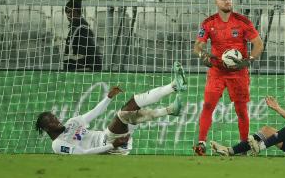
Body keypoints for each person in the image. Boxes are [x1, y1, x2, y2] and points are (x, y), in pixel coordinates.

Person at [35, 62, 188, 155]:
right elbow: (81, 154)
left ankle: (172, 93)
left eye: (55, 117)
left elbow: (95, 112)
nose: (57, 121)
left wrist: (108, 97)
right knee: (123, 114)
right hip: (108, 147)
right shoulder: (57, 145)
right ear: (47, 128)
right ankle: (170, 101)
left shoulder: (72, 123)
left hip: (111, 140)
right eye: (52, 122)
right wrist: (110, 146)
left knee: (131, 106)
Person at [193, 0, 264, 155]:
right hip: (217, 71)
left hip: (238, 73)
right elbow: (197, 46)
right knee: (208, 105)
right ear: (216, 2)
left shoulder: (243, 22)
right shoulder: (209, 22)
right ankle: (201, 143)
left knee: (241, 110)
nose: (228, 1)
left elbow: (259, 44)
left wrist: (248, 61)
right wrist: (204, 56)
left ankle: (243, 147)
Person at [63, 0, 102, 72]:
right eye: (68, 12)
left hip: (80, 73)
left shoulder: (82, 30)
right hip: (76, 71)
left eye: (73, 11)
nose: (70, 14)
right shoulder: (75, 29)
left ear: (79, 12)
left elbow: (88, 54)